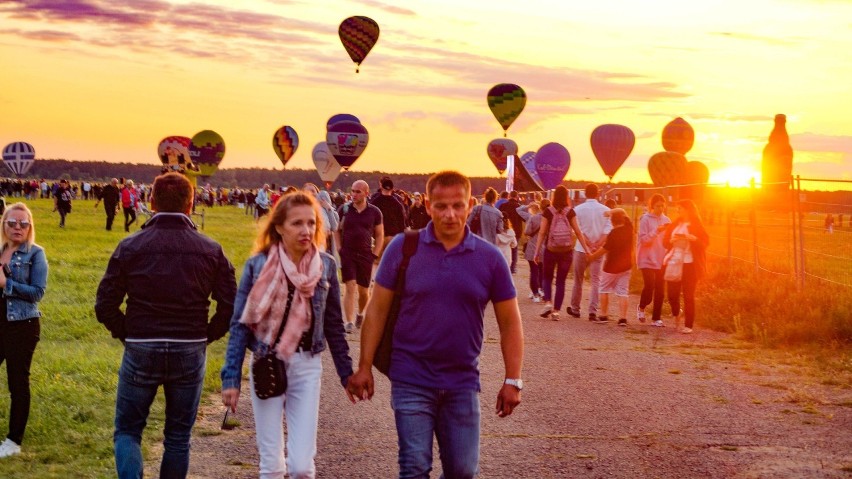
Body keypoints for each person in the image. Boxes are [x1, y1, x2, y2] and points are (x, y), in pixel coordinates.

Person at [347, 170, 524, 479]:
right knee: (414, 467)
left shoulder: (490, 258)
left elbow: (510, 322)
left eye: (457, 205)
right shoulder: (403, 248)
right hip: (411, 377)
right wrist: (363, 366)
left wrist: (513, 379)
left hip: (461, 381)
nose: (450, 214)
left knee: (463, 470)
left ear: (471, 204)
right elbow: (376, 311)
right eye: (441, 206)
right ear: (427, 205)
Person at [95, 173, 237, 478]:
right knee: (177, 436)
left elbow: (104, 303)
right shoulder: (210, 249)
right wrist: (207, 335)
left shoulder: (130, 245)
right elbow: (229, 304)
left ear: (151, 201)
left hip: (142, 344)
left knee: (128, 431)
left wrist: (127, 332)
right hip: (189, 346)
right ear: (192, 203)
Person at [221, 192, 353, 479]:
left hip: (307, 366)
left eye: (310, 223)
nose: (306, 230)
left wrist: (347, 375)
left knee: (302, 467)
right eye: (296, 223)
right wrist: (231, 378)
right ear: (279, 226)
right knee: (272, 465)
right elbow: (240, 324)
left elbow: (334, 326)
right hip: (267, 363)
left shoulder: (326, 265)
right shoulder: (258, 264)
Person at [0, 204, 48, 459]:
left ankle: (13, 440)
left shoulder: (35, 254)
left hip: (22, 326)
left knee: (17, 382)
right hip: (0, 323)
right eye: (12, 223)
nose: (17, 227)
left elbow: (37, 293)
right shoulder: (0, 250)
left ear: (30, 227)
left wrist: (8, 283)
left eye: (23, 223)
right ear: (4, 224)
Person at [534, 186, 589, 321]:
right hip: (566, 251)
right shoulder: (570, 212)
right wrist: (586, 249)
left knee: (547, 278)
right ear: (566, 196)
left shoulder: (548, 211)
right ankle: (556, 311)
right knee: (561, 281)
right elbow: (577, 231)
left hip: (550, 249)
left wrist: (536, 251)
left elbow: (542, 232)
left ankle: (548, 302)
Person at [334, 180, 383, 333]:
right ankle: (348, 321)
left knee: (363, 290)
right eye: (353, 191)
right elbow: (336, 230)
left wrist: (375, 254)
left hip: (365, 254)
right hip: (347, 252)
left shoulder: (374, 212)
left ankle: (360, 314)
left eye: (357, 192)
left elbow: (380, 234)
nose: (353, 194)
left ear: (366, 193)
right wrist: (339, 248)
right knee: (350, 286)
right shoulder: (345, 209)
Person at [663, 199, 709, 334]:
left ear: (688, 210)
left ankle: (688, 325)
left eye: (680, 209)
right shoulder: (675, 224)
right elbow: (665, 242)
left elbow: (705, 243)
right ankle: (676, 313)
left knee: (689, 295)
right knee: (672, 295)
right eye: (677, 209)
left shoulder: (696, 225)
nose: (678, 211)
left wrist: (694, 239)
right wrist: (671, 241)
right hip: (674, 263)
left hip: (690, 264)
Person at [567, 184, 611, 322]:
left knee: (578, 279)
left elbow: (576, 229)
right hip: (598, 250)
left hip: (581, 248)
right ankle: (593, 311)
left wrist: (587, 244)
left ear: (585, 194)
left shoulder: (578, 209)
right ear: (598, 194)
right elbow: (607, 230)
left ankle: (575, 308)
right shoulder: (606, 210)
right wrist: (597, 244)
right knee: (595, 280)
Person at [587, 209, 634, 326]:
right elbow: (623, 211)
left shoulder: (613, 233)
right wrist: (612, 211)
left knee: (604, 289)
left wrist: (592, 257)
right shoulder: (629, 229)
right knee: (623, 292)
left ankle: (604, 315)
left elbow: (605, 249)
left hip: (611, 266)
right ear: (623, 219)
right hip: (626, 265)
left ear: (612, 222)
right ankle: (623, 318)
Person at [636, 194, 672, 327]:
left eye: (662, 206)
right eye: (658, 206)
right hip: (646, 258)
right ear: (652, 206)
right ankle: (641, 307)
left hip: (661, 258)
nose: (660, 208)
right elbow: (644, 240)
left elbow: (668, 240)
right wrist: (657, 231)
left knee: (660, 290)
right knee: (649, 285)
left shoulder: (667, 220)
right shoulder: (645, 219)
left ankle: (656, 318)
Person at [369, 176, 406, 260]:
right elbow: (402, 222)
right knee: (392, 262)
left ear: (381, 187)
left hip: (379, 236)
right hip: (393, 236)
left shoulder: (375, 201)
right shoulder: (397, 202)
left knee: (377, 263)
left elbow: (370, 218)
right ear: (392, 189)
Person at [517, 201, 544, 302]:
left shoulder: (533, 218)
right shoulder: (547, 218)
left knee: (533, 270)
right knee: (542, 270)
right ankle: (542, 290)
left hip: (533, 246)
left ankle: (535, 293)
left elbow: (527, 232)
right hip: (544, 248)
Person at [499, 191, 525, 274]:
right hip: (516, 231)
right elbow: (524, 219)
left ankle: (502, 265)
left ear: (509, 196)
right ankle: (512, 268)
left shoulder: (503, 205)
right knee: (514, 248)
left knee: (502, 247)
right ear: (516, 197)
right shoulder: (519, 207)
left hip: (503, 229)